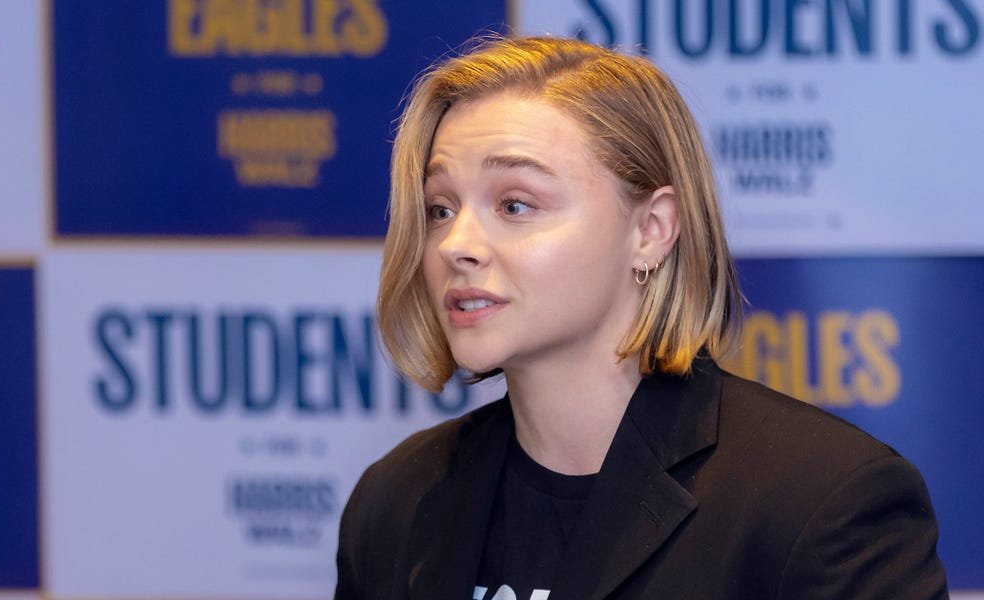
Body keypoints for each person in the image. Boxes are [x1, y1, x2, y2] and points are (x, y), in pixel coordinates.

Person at [334, 36, 947, 599]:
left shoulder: (823, 501)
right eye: (440, 209)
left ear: (651, 230)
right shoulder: (395, 500)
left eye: (515, 205)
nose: (456, 245)